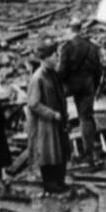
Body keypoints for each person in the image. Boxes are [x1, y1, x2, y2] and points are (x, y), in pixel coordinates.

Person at [58, 19, 103, 162]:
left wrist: (61, 86)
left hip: (70, 86)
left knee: (61, 116)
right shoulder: (92, 47)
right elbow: (98, 70)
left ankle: (66, 152)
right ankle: (89, 153)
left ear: (70, 29)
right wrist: (94, 87)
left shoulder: (67, 47)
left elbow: (62, 71)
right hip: (88, 85)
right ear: (80, 29)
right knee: (86, 118)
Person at [27, 55, 71, 194]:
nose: (57, 58)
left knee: (60, 152)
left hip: (58, 121)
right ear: (45, 58)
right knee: (48, 154)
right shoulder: (38, 78)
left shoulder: (53, 74)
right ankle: (50, 185)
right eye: (53, 56)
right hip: (45, 124)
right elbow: (33, 104)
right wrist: (52, 114)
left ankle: (59, 181)